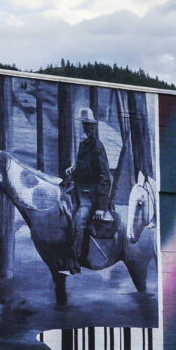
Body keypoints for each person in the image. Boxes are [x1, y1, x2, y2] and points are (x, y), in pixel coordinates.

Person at [63, 107, 112, 275]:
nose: (86, 127)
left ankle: (73, 265)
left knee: (79, 222)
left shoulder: (98, 146)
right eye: (84, 124)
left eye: (89, 125)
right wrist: (73, 169)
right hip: (78, 191)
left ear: (94, 126)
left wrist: (101, 207)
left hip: (91, 195)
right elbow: (84, 167)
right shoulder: (83, 145)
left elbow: (104, 176)